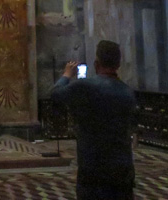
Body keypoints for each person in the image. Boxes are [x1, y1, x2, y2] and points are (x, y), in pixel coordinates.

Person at [51, 41, 138, 200]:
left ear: (96, 64)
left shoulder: (85, 87)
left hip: (93, 169)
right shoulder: (128, 92)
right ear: (118, 64)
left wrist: (66, 75)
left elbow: (56, 95)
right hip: (122, 169)